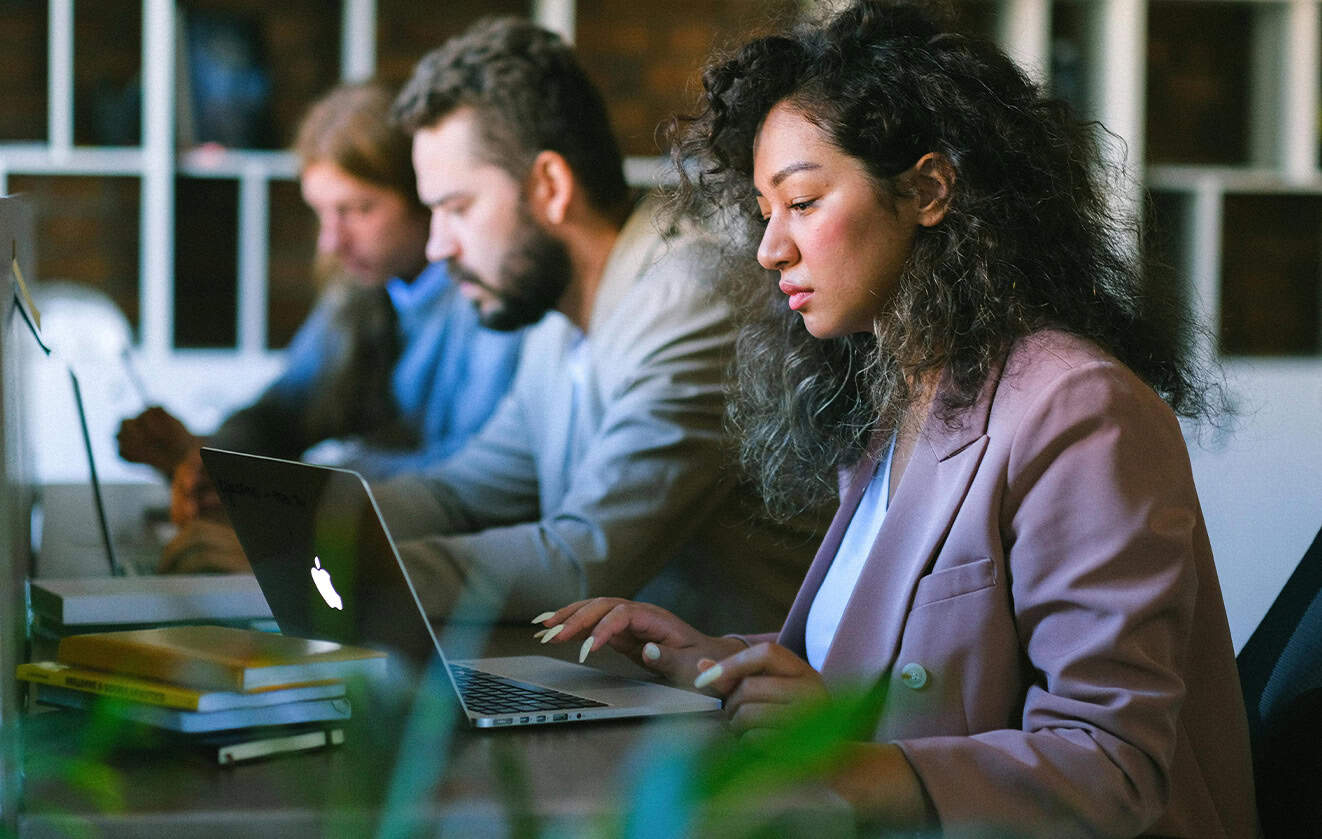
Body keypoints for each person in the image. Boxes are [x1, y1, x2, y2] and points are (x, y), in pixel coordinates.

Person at [534, 3, 1259, 836]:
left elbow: (1112, 766)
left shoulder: (1078, 408)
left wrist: (849, 756)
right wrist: (721, 662)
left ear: (927, 189)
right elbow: (913, 651)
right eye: (765, 211)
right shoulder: (910, 397)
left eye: (801, 201)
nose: (771, 248)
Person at [362, 16, 821, 634]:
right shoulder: (558, 317)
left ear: (550, 186)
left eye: (458, 208)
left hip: (745, 714)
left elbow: (587, 558)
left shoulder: (694, 296)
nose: (438, 246)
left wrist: (345, 567)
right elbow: (463, 493)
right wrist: (306, 517)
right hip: (634, 693)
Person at [117, 82, 524, 544]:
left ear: (424, 196)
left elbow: (472, 475)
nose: (331, 241)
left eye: (356, 210)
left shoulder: (489, 298)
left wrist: (288, 485)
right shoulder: (362, 287)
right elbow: (285, 410)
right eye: (322, 213)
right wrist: (214, 458)